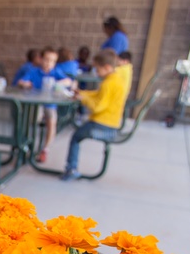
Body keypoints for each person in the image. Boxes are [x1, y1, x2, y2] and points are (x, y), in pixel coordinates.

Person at [62, 49, 128, 181]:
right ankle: (72, 169)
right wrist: (82, 93)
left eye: (98, 70)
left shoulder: (108, 83)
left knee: (76, 137)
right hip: (112, 122)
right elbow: (98, 96)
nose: (96, 73)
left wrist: (82, 98)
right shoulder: (116, 79)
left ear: (107, 67)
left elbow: (97, 106)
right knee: (79, 132)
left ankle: (71, 169)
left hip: (102, 124)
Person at [20, 47, 72, 163]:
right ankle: (26, 144)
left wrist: (58, 83)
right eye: (46, 59)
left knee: (52, 121)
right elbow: (22, 81)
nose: (49, 63)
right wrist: (26, 84)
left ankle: (45, 149)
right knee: (30, 119)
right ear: (41, 59)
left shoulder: (55, 72)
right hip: (35, 103)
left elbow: (68, 81)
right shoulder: (34, 71)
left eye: (52, 61)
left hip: (50, 104)